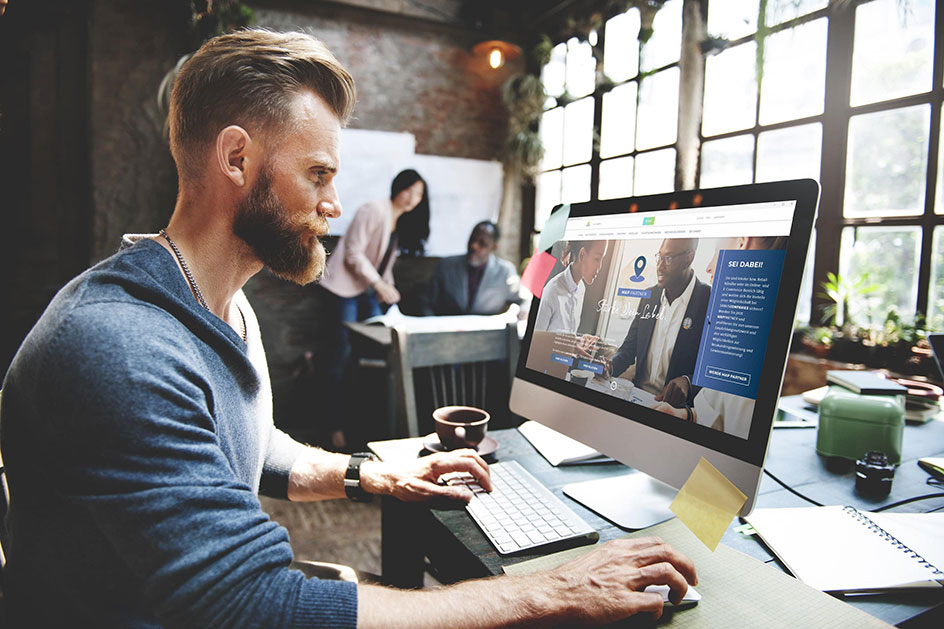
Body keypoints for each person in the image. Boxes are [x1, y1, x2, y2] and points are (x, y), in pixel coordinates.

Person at [0, 29, 696, 627]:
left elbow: (253, 448)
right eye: (318, 174)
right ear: (237, 158)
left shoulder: (222, 305)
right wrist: (551, 591)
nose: (333, 203)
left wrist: (376, 474)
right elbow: (258, 605)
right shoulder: (120, 348)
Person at [317, 168, 428, 447]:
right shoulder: (374, 210)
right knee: (340, 356)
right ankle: (333, 427)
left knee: (377, 352)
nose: (412, 198)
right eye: (409, 190)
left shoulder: (399, 222)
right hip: (343, 289)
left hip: (366, 291)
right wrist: (379, 284)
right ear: (398, 187)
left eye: (419, 194)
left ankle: (365, 423)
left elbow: (383, 264)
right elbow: (353, 253)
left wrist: (388, 288)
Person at [654, 236, 788, 437]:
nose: (708, 268)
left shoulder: (753, 348)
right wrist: (683, 416)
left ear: (743, 244)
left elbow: (735, 441)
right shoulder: (739, 330)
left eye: (716, 253)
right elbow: (714, 417)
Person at [604, 238, 710, 408]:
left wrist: (687, 382)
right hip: (637, 398)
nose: (659, 266)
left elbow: (713, 371)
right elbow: (628, 349)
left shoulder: (709, 301)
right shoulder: (649, 297)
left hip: (675, 410)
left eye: (668, 258)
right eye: (659, 257)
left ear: (688, 258)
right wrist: (609, 365)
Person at [423, 221, 522, 316]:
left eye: (482, 243)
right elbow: (426, 301)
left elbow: (523, 299)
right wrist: (432, 322)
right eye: (472, 239)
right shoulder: (446, 265)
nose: (474, 246)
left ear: (494, 247)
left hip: (487, 326)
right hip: (448, 325)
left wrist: (522, 311)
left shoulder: (505, 271)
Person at [534, 239, 608, 334]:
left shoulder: (581, 288)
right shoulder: (552, 291)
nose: (599, 267)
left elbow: (568, 333)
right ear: (582, 255)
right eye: (597, 259)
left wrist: (579, 339)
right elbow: (536, 338)